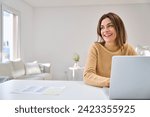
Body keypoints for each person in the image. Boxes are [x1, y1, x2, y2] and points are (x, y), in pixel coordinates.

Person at [83, 12, 137, 87]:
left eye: (110, 26)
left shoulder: (128, 49)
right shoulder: (95, 48)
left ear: (119, 28)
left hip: (123, 90)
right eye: (102, 27)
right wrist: (110, 82)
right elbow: (87, 75)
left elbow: (138, 74)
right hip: (99, 91)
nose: (105, 30)